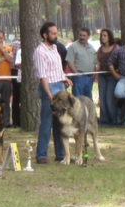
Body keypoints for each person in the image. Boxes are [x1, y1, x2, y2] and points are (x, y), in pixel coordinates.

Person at [33, 22, 72, 164]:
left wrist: (64, 78)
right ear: (45, 35)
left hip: (60, 86)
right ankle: (41, 154)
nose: (56, 36)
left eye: (56, 33)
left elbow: (57, 69)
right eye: (53, 33)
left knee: (60, 123)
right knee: (47, 122)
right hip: (49, 88)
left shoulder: (55, 47)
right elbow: (43, 76)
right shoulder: (40, 51)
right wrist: (50, 97)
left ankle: (61, 154)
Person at [66, 28, 98, 99]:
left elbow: (94, 62)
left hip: (89, 78)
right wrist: (77, 74)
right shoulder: (73, 47)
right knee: (78, 99)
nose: (82, 37)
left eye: (84, 35)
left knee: (88, 99)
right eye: (80, 35)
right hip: (79, 77)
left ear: (88, 36)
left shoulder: (91, 47)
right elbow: (69, 61)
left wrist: (93, 74)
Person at [97, 29, 119, 127]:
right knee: (102, 98)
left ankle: (113, 120)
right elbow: (97, 59)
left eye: (105, 35)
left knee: (110, 98)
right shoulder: (100, 49)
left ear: (109, 36)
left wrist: (116, 71)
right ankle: (103, 121)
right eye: (102, 35)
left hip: (112, 76)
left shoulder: (116, 48)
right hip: (102, 75)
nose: (103, 37)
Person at [0, 29, 14, 127]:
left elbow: (11, 59)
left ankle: (6, 121)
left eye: (1, 38)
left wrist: (3, 51)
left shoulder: (8, 48)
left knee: (6, 101)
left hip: (6, 79)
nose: (0, 40)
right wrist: (2, 58)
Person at [10, 38, 21, 127]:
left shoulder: (12, 44)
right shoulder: (17, 46)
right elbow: (17, 63)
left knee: (16, 99)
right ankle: (16, 121)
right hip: (17, 72)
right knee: (17, 98)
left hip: (14, 72)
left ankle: (16, 121)